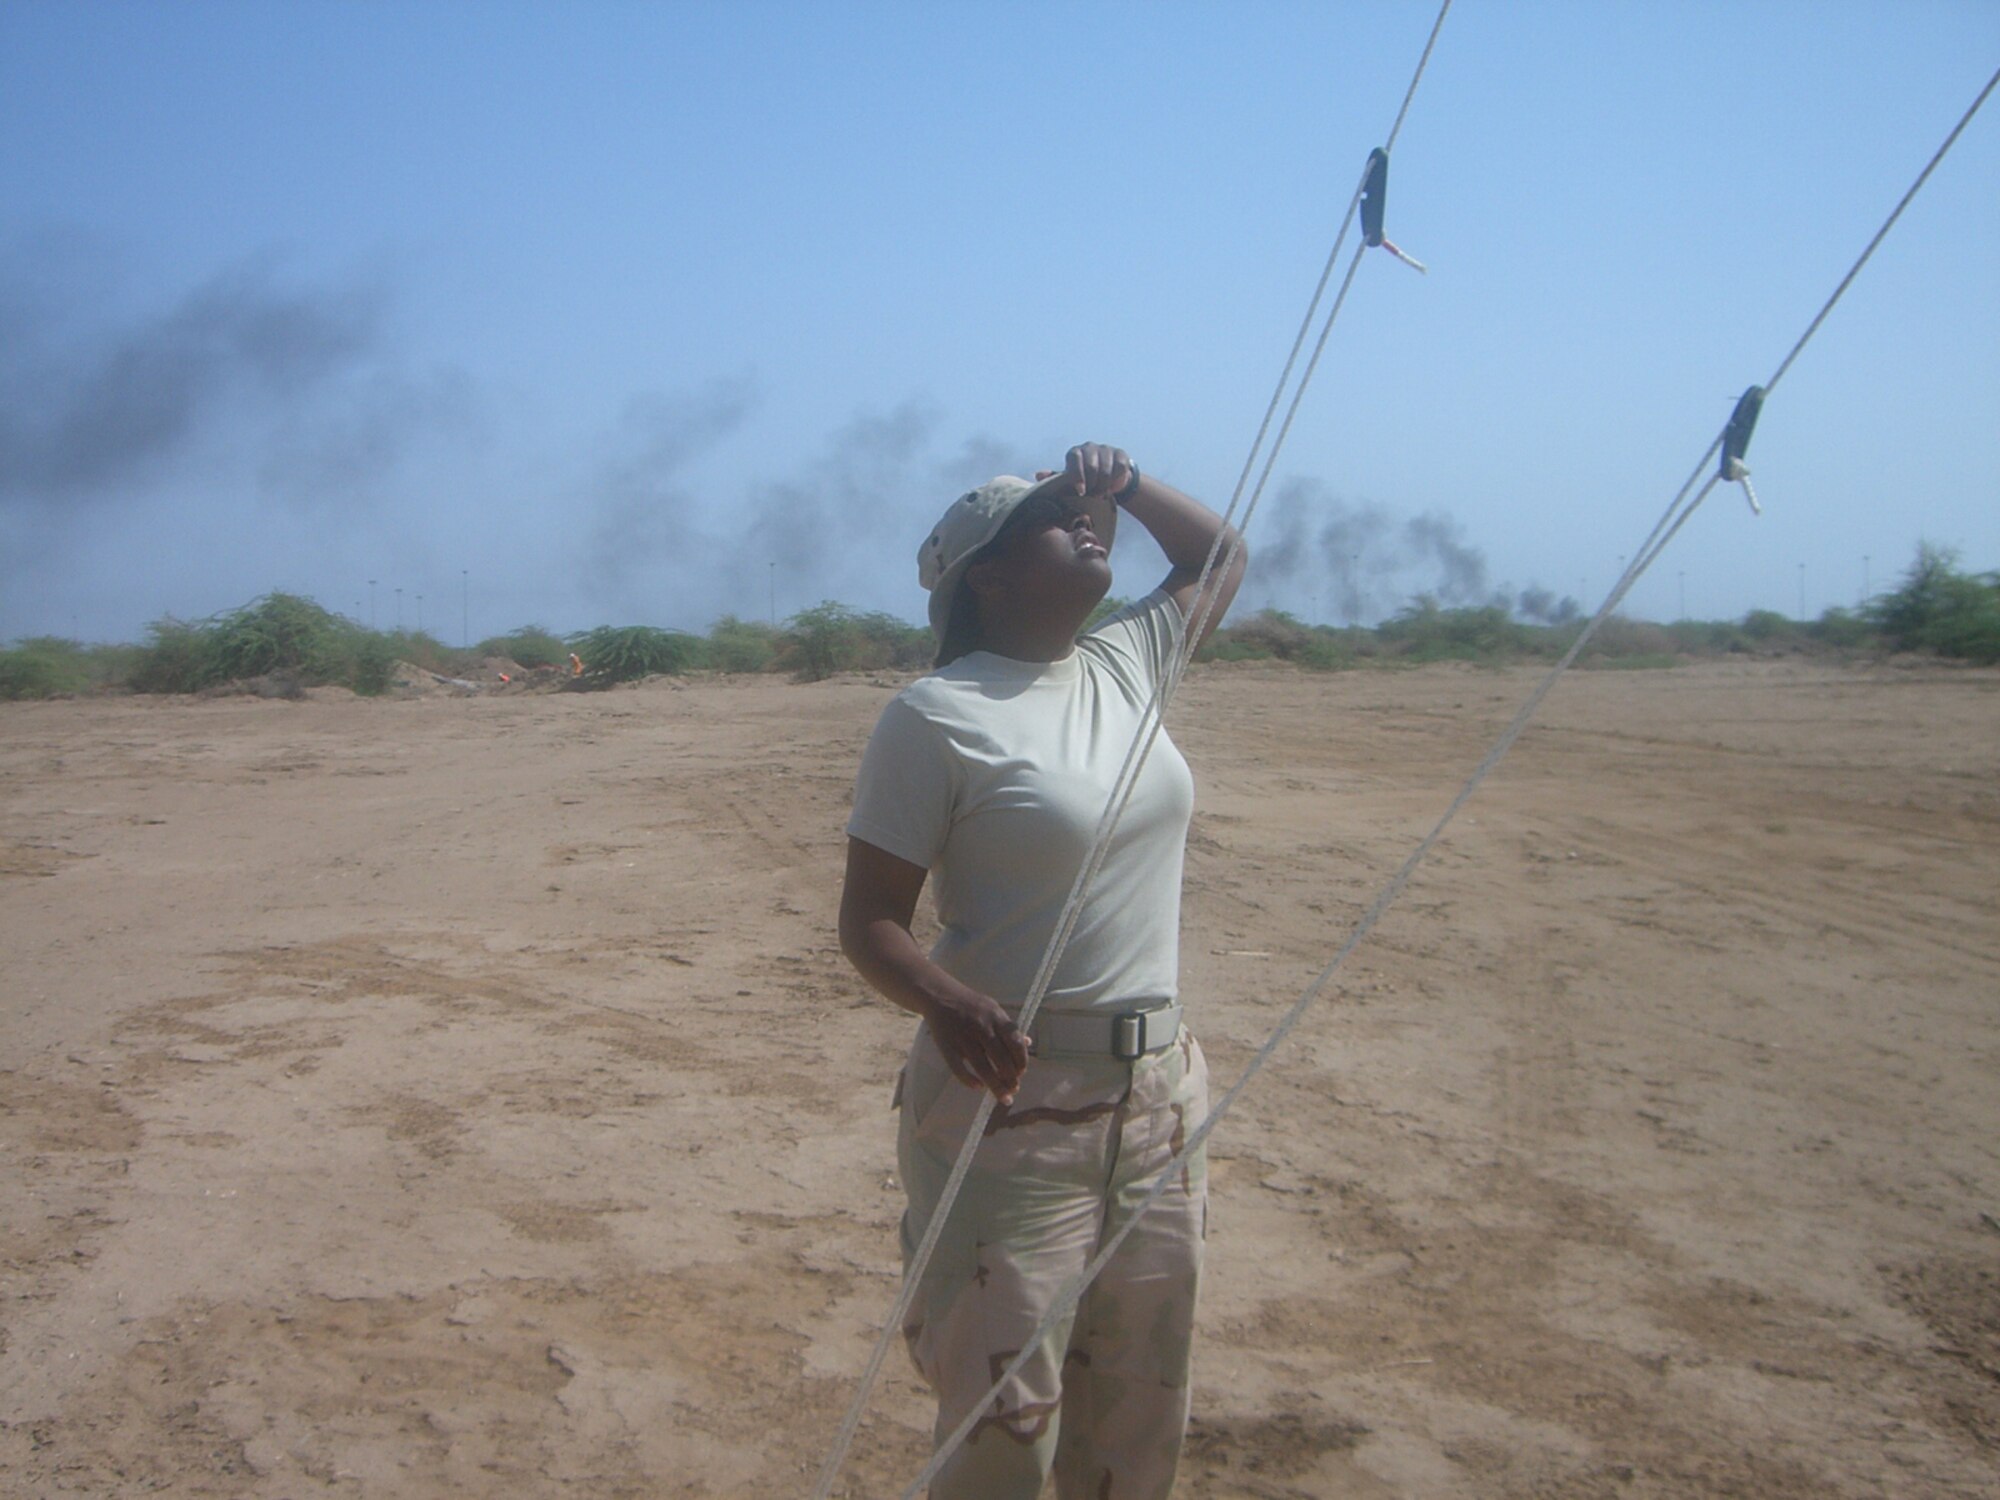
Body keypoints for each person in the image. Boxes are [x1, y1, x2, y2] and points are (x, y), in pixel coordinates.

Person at [839, 442, 1246, 1499]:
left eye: (1087, 518)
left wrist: (1125, 481)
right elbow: (870, 920)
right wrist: (944, 998)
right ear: (987, 573)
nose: (1085, 525)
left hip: (1156, 1096)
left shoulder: (1125, 660)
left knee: (1140, 1415)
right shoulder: (935, 716)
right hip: (1008, 1100)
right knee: (1002, 1430)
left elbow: (1221, 553)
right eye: (1049, 521)